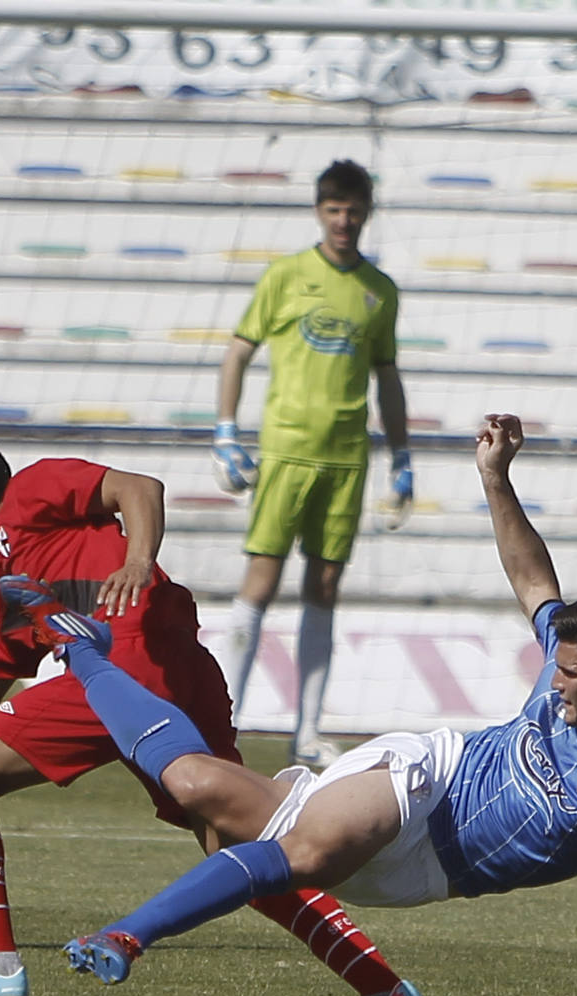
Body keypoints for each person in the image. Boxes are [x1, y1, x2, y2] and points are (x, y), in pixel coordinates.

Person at [28, 414, 577, 996]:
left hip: (427, 870)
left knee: (195, 785)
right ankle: (126, 935)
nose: (553, 682)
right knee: (312, 854)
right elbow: (533, 580)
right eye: (555, 667)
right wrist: (496, 477)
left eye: (569, 674)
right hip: (430, 774)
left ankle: (87, 653)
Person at [0, 439, 418, 996]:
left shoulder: (30, 493)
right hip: (179, 668)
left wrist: (138, 560)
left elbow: (139, 487)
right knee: (237, 848)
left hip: (123, 667)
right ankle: (383, 988)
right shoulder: (15, 585)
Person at [211, 158, 412, 767]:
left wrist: (402, 456)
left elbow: (388, 378)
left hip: (346, 459)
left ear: (367, 213)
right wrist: (225, 431)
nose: (344, 221)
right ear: (319, 211)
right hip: (286, 452)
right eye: (334, 210)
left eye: (353, 211)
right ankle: (223, 721)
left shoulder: (380, 291)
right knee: (262, 581)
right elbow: (237, 353)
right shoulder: (286, 276)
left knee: (324, 587)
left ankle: (307, 733)